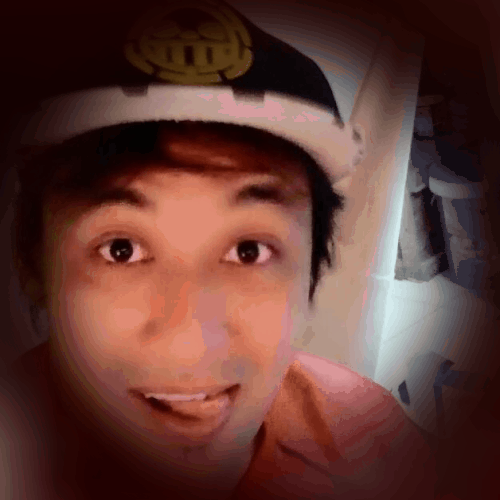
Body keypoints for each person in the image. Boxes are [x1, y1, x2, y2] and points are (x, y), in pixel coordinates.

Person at [3, 1, 436, 499]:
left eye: (249, 251)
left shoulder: (375, 446)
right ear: (33, 266)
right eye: (121, 250)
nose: (191, 347)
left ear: (311, 274)